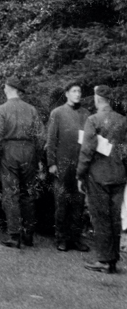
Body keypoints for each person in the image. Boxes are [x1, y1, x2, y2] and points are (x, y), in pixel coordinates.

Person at [77, 85, 127, 274]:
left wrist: (80, 174)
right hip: (118, 175)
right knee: (114, 218)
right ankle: (112, 260)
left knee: (100, 218)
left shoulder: (93, 120)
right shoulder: (123, 121)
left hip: (98, 175)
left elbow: (87, 150)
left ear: (98, 99)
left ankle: (104, 260)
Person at [0, 76, 44, 248]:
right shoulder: (32, 110)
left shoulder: (1, 109)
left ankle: (14, 236)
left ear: (9, 88)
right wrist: (37, 159)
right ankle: (28, 235)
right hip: (29, 152)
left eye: (5, 87)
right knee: (28, 194)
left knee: (11, 194)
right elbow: (40, 137)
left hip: (10, 151)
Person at [46, 81, 91, 252]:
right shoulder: (57, 113)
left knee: (78, 203)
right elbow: (51, 140)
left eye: (79, 91)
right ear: (66, 94)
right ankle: (61, 238)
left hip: (79, 165)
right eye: (74, 91)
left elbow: (89, 141)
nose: (77, 94)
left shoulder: (86, 114)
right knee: (62, 202)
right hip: (62, 163)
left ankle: (76, 238)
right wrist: (51, 163)